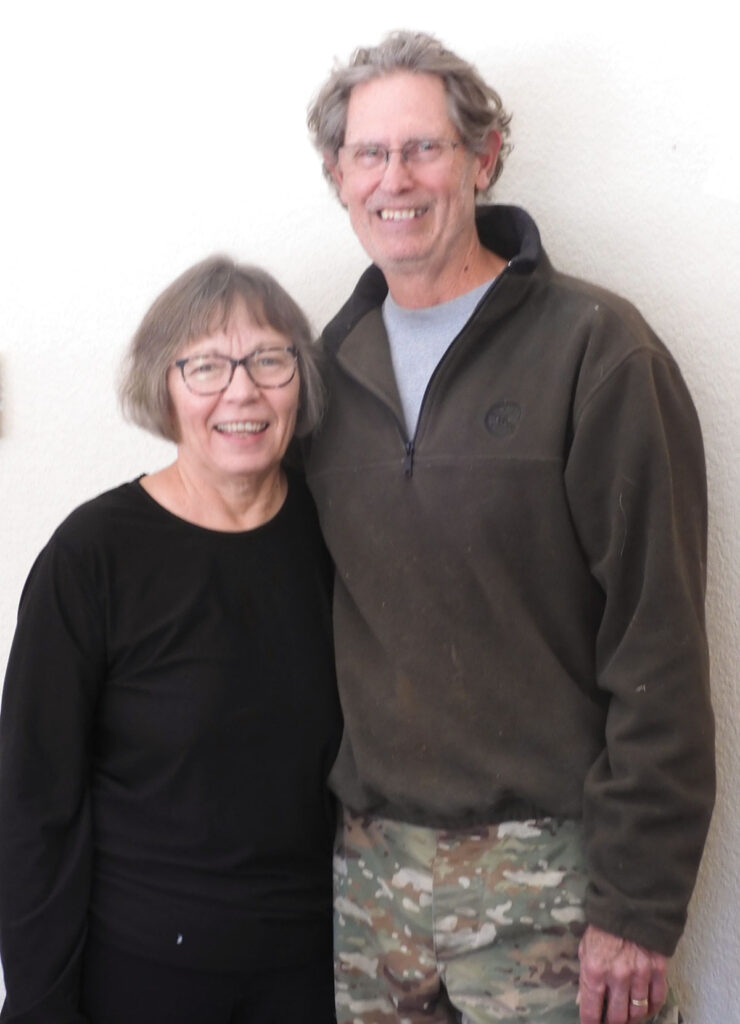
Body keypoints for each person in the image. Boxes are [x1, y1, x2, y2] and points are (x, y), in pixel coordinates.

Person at [304, 30, 715, 1024]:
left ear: (482, 159)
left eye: (423, 148)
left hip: (551, 889)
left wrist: (638, 906)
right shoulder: (324, 370)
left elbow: (653, 643)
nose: (393, 178)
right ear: (336, 175)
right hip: (371, 895)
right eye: (368, 153)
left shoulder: (594, 350)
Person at [0, 257, 341, 1023]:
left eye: (269, 359)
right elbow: (34, 807)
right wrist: (39, 1006)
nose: (242, 389)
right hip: (139, 977)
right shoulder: (93, 556)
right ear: (163, 385)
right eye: (206, 366)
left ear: (302, 380)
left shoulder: (335, 540)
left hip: (312, 972)